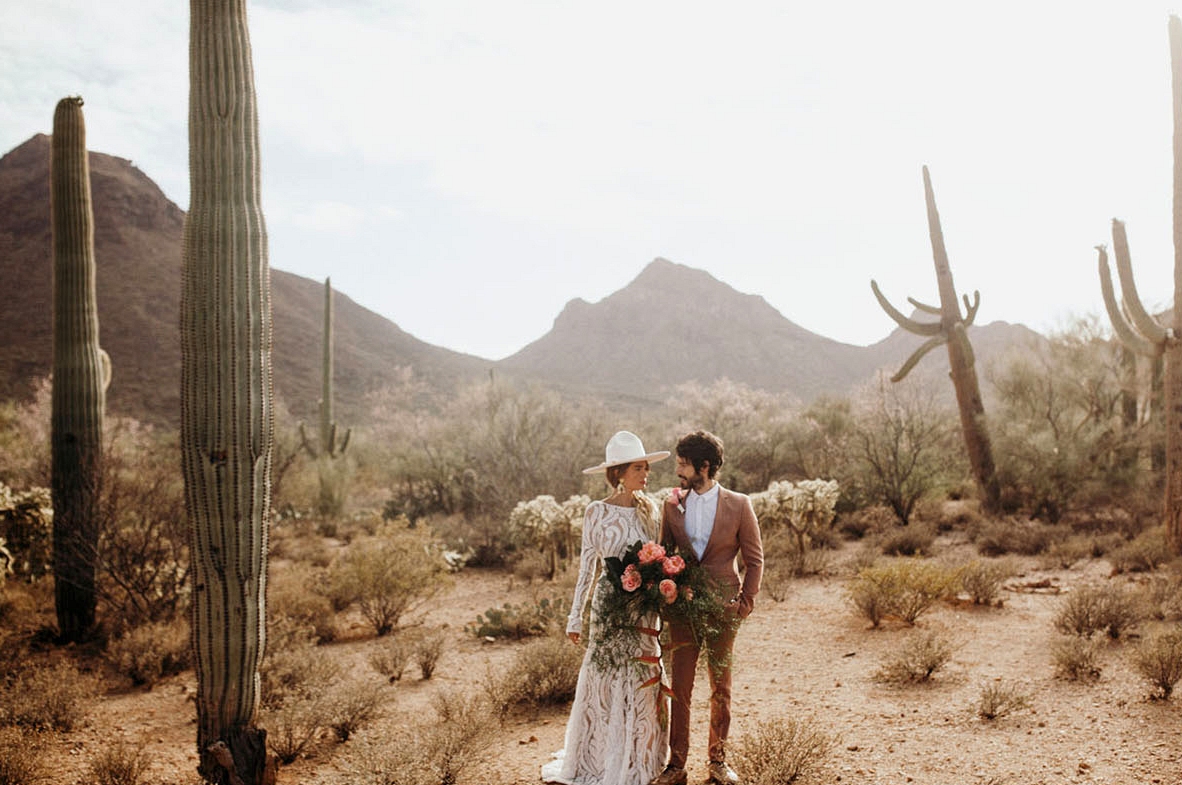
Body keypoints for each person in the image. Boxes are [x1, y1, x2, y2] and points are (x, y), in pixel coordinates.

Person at [542, 430, 672, 785]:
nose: (645, 475)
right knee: (608, 676)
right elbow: (588, 568)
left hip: (643, 607)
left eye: (646, 468)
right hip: (609, 607)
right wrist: (575, 618)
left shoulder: (651, 510)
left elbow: (659, 558)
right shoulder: (595, 512)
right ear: (618, 474)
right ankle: (602, 759)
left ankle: (640, 757)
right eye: (638, 469)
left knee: (642, 676)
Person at [651, 430, 763, 785]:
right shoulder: (671, 505)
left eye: (683, 464)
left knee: (721, 687)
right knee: (680, 688)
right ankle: (676, 765)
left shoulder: (739, 504)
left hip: (723, 609)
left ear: (704, 466)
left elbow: (754, 559)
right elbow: (664, 552)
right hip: (682, 611)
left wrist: (745, 603)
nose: (678, 471)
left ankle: (718, 762)